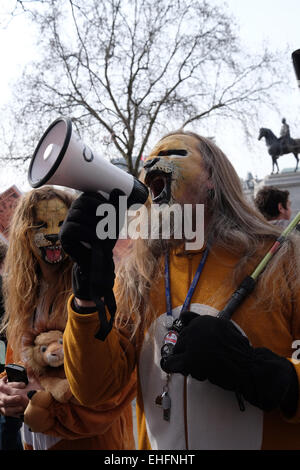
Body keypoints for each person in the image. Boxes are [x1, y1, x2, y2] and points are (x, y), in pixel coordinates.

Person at [60, 131, 300, 450]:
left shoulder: (283, 259)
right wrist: (86, 299)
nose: (154, 165)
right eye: (148, 163)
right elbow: (93, 389)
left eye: (174, 153)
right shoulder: (137, 276)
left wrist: (270, 376)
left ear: (213, 177)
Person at [0, 186, 135, 450]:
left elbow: (110, 395)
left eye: (61, 223)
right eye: (40, 225)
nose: (52, 234)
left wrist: (41, 404)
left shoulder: (103, 292)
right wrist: (6, 392)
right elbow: (21, 366)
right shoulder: (25, 297)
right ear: (24, 235)